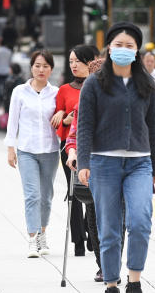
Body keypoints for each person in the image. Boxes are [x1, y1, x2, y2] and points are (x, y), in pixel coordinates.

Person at [77, 22, 155, 293]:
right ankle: (111, 282)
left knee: (139, 222)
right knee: (109, 228)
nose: (123, 50)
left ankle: (134, 280)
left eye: (129, 46)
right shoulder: (94, 83)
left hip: (140, 163)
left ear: (137, 51)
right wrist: (83, 162)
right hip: (104, 163)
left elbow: (154, 128)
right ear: (109, 48)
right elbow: (85, 125)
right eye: (118, 45)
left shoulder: (147, 83)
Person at [5, 50, 60, 258]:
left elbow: (65, 113)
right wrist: (10, 148)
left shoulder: (55, 93)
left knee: (46, 197)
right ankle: (32, 239)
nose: (41, 70)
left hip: (50, 150)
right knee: (32, 195)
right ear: (31, 67)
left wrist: (63, 113)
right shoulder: (20, 91)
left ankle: (42, 235)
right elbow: (13, 121)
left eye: (46, 66)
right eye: (37, 65)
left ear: (51, 69)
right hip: (27, 150)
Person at [52, 44, 99, 257]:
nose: (73, 66)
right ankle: (78, 241)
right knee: (74, 192)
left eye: (77, 61)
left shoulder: (99, 86)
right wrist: (66, 119)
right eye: (70, 62)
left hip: (94, 149)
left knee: (91, 193)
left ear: (90, 62)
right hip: (70, 148)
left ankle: (92, 232)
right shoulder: (63, 90)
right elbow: (58, 123)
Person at [0, 37, 13, 108]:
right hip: (6, 71)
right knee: (6, 86)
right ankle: (6, 99)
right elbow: (10, 62)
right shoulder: (9, 52)